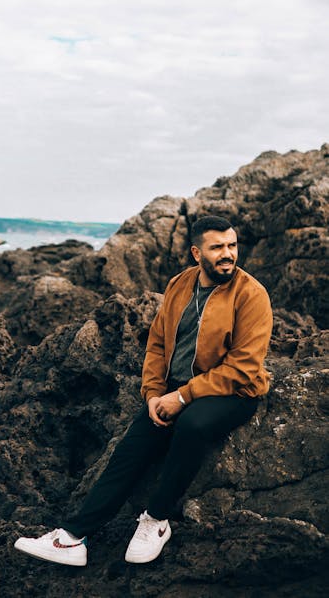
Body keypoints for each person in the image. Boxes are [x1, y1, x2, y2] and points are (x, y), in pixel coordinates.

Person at [14, 215, 273, 567]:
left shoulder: (252, 295)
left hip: (235, 393)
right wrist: (153, 394)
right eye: (217, 248)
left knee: (192, 425)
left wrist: (181, 397)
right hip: (175, 389)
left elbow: (244, 367)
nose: (228, 254)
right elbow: (156, 344)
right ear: (197, 253)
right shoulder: (180, 285)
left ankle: (157, 519)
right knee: (132, 447)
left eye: (232, 245)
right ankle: (72, 538)